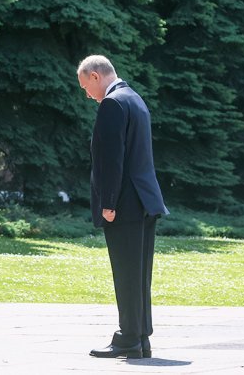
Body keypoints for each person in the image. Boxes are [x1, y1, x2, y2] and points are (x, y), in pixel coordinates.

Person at [76, 55, 169, 359]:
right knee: (139, 274)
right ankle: (140, 337)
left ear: (95, 76)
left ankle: (128, 337)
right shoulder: (136, 99)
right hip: (144, 200)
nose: (87, 94)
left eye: (85, 87)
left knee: (126, 272)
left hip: (124, 204)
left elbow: (112, 160)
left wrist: (108, 203)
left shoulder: (112, 103)